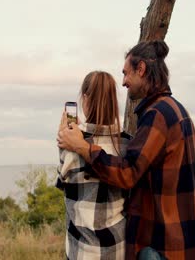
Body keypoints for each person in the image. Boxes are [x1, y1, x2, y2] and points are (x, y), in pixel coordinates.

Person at [58, 41, 195, 260]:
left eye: (126, 73)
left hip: (161, 243)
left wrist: (81, 145)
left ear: (141, 69)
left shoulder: (158, 116)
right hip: (180, 237)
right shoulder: (177, 110)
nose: (124, 82)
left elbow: (127, 173)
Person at [56, 71, 131, 259]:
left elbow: (63, 185)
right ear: (113, 101)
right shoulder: (128, 143)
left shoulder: (71, 144)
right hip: (118, 249)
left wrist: (64, 138)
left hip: (82, 251)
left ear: (85, 98)